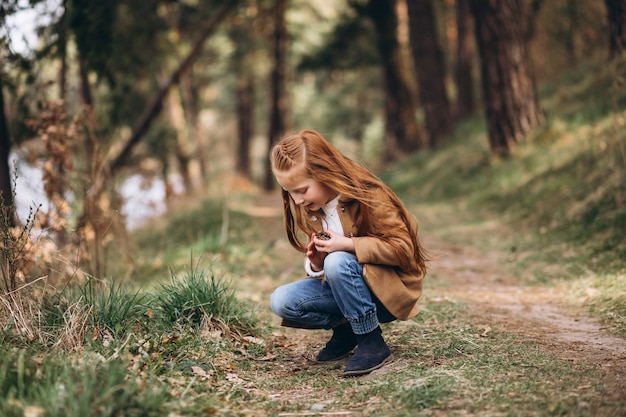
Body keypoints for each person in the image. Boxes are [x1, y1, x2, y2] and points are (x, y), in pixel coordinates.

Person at [269, 129, 428, 377]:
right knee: (281, 301)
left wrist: (348, 245)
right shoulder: (314, 208)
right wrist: (316, 264)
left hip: (386, 292)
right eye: (290, 192)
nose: (297, 200)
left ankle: (371, 342)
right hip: (346, 286)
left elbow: (405, 250)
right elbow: (329, 269)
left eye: (302, 190)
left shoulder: (369, 195)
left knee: (338, 260)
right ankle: (348, 330)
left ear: (325, 174)